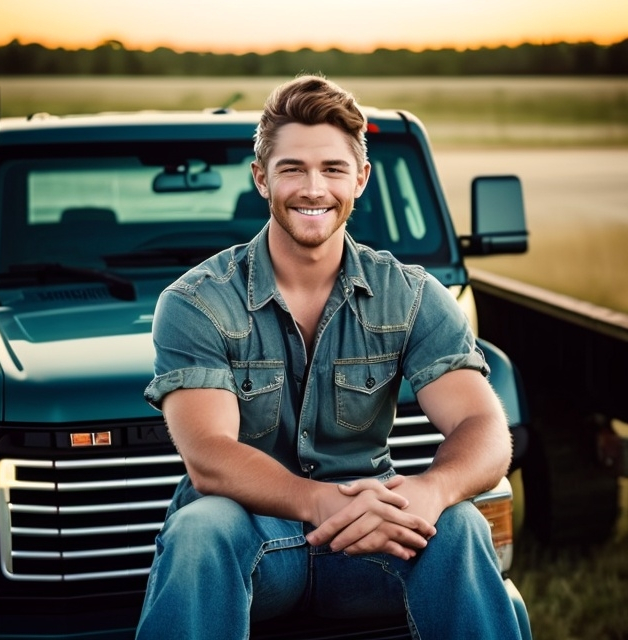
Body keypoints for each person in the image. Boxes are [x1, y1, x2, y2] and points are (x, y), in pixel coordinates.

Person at [136, 74, 526, 640]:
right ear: (260, 177)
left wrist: (430, 490)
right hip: (253, 538)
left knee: (461, 524)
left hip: (370, 543)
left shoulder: (412, 295)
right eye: (291, 168)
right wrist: (316, 502)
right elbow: (209, 457)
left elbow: (481, 425)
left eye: (333, 169)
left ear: (361, 178)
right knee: (200, 526)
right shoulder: (196, 301)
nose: (313, 188)